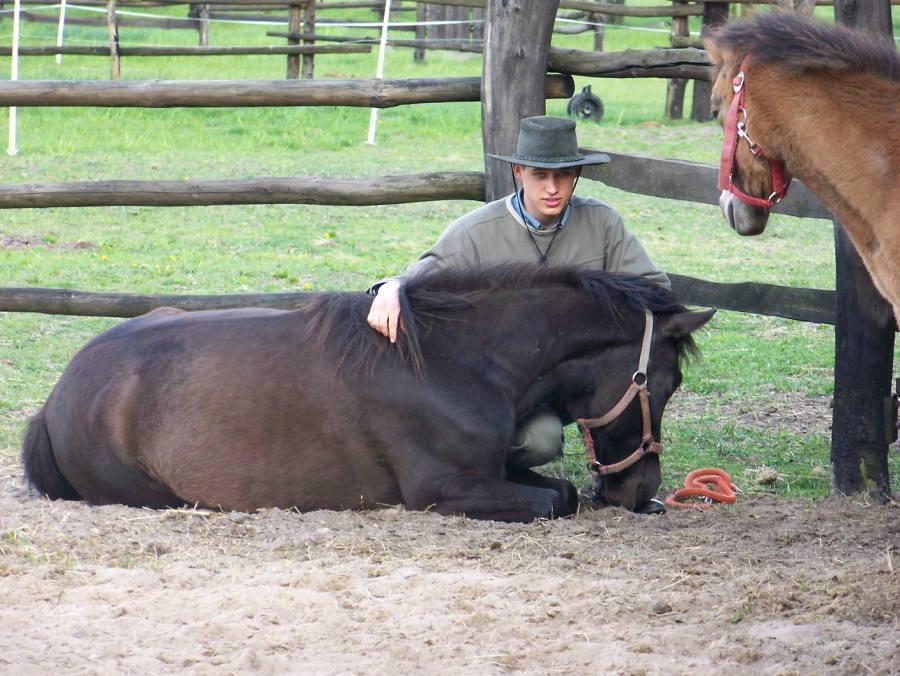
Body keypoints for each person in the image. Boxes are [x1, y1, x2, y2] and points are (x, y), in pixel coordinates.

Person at [366, 115, 669, 474]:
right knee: (540, 440)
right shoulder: (476, 231)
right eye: (540, 175)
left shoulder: (602, 224)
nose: (552, 188)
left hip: (572, 378)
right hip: (496, 385)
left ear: (577, 175)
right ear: (518, 172)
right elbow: (422, 276)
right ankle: (459, 464)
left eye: (564, 175)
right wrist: (391, 286)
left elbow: (655, 291)